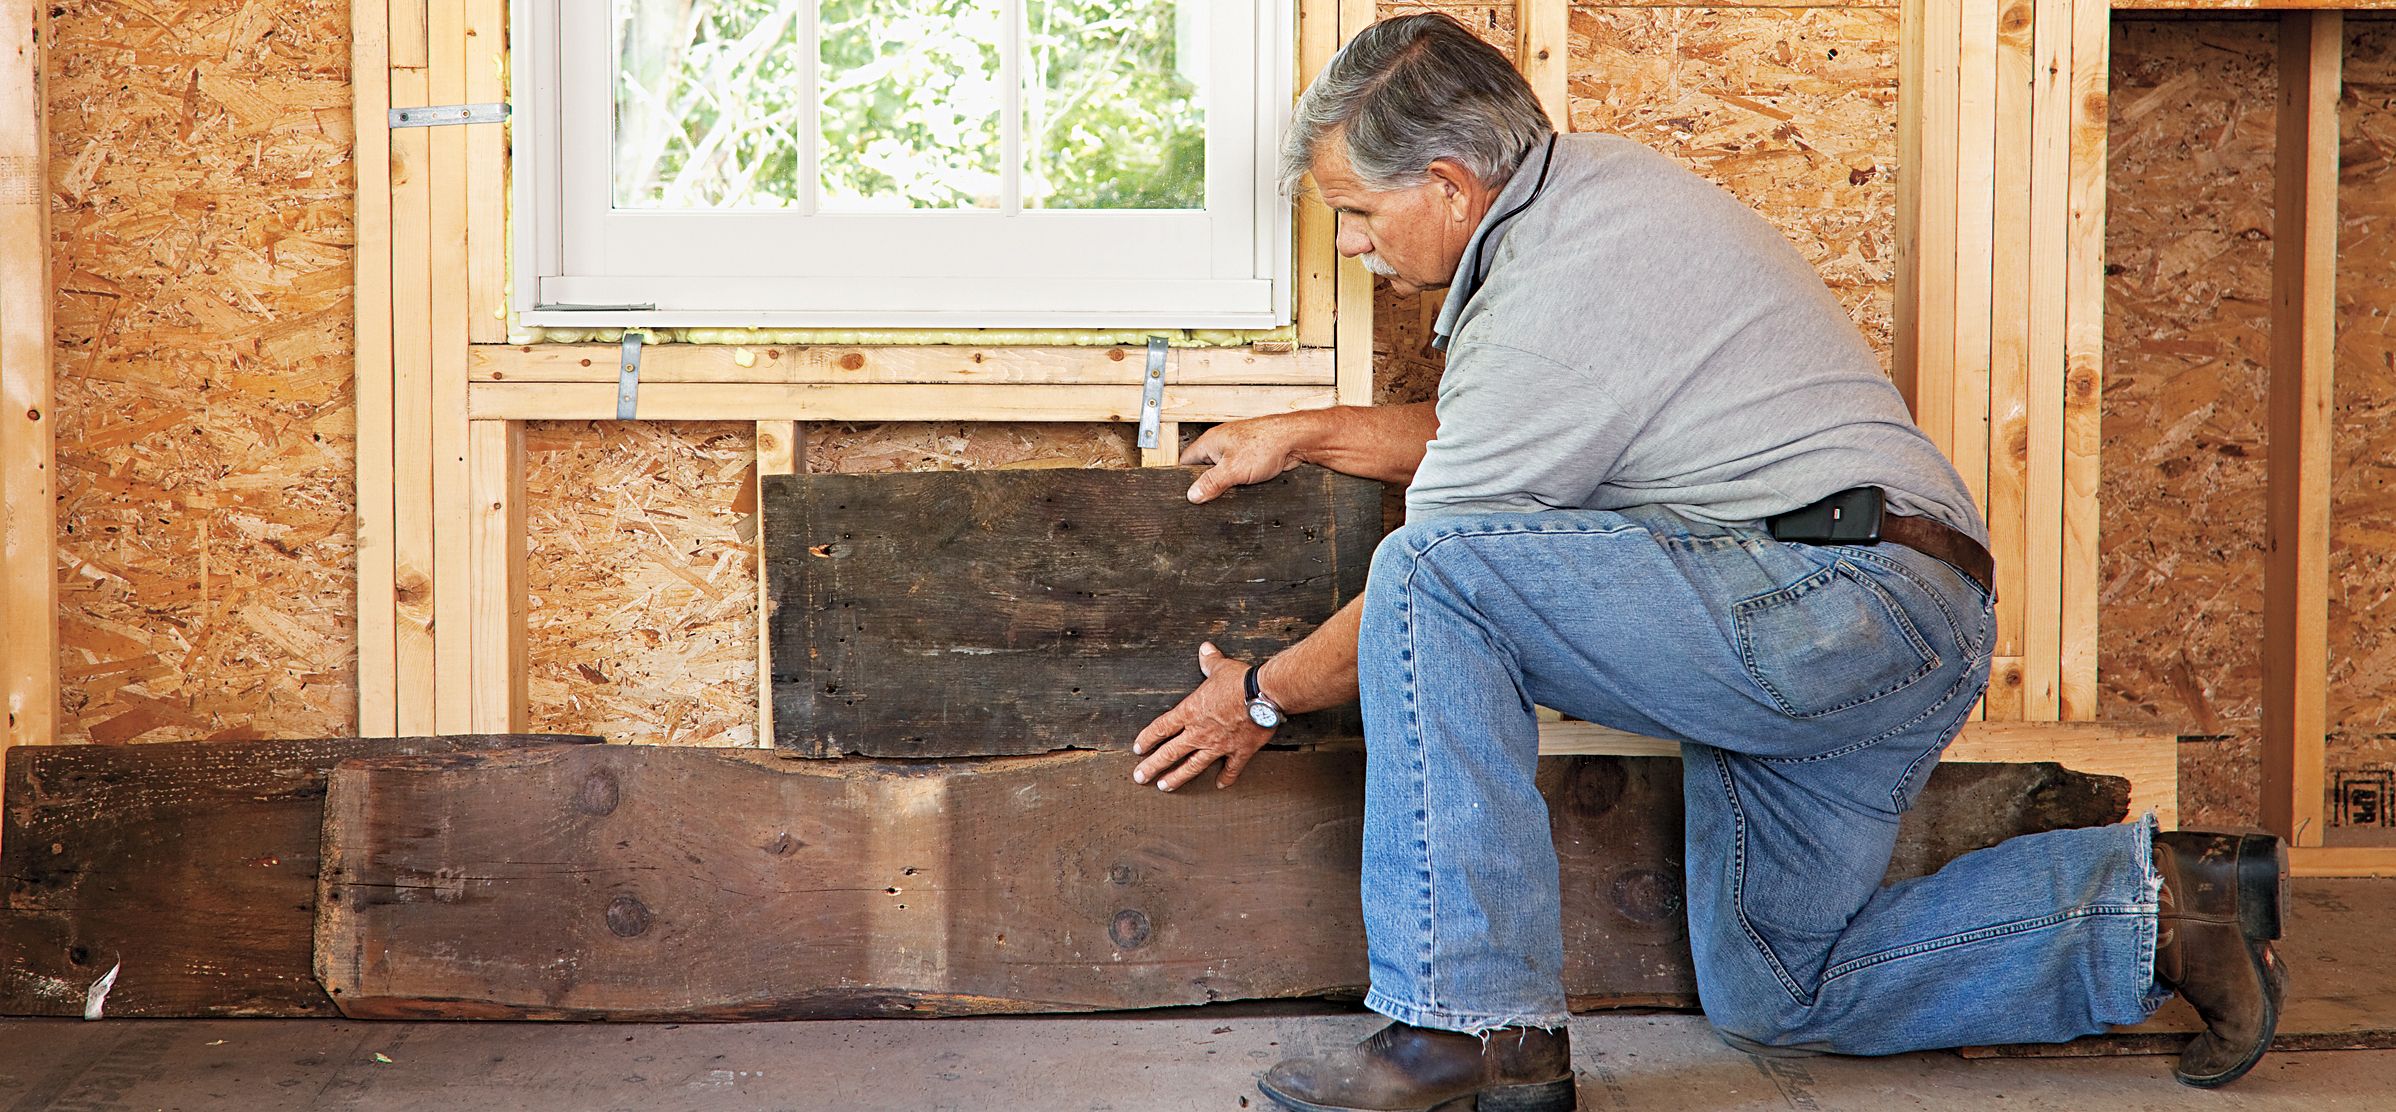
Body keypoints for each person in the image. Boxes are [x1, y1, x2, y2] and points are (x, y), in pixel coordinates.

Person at [1124, 13, 2287, 1111]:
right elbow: (1516, 437)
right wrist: (1308, 430)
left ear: (1445, 184)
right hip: (1867, 617)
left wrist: (1260, 697)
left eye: (1353, 211)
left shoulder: (1555, 272)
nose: (1350, 242)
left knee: (1430, 576)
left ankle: (1469, 1019)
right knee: (1781, 987)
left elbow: (1442, 566)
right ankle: (2164, 908)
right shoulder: (1589, 209)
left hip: (1826, 597)